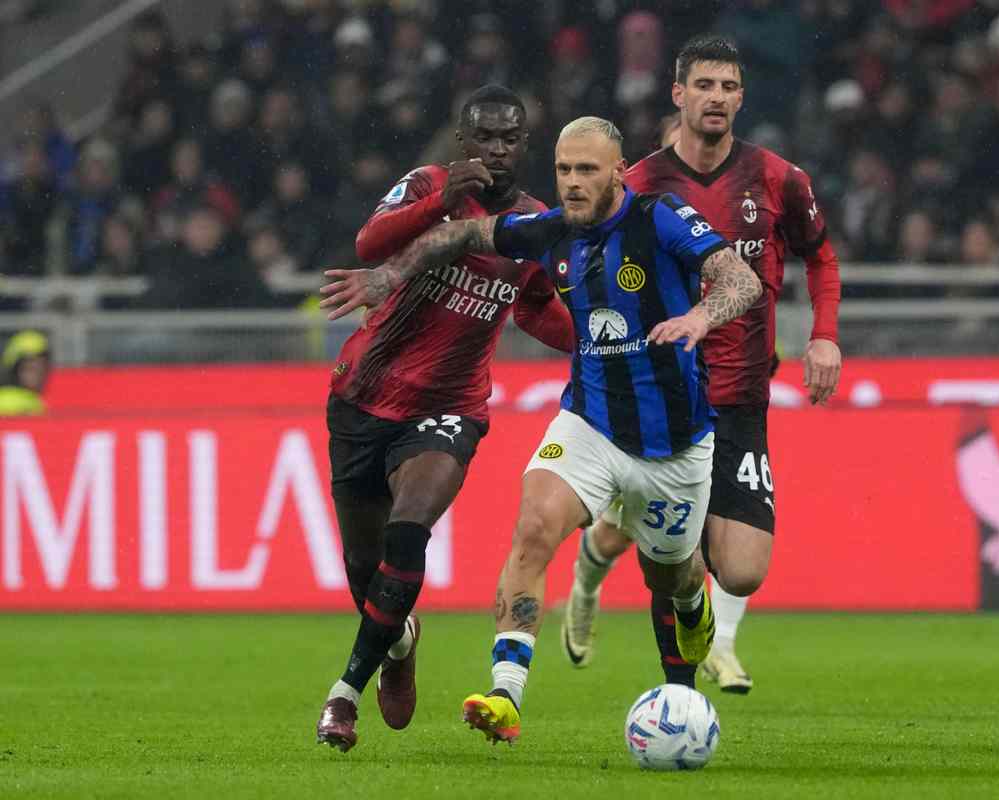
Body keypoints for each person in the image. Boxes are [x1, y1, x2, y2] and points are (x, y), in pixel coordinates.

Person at [321, 116, 762, 745]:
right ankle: (507, 694)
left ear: (616, 172)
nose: (574, 182)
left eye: (587, 170)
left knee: (673, 577)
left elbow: (740, 279)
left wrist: (698, 316)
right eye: (564, 170)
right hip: (590, 421)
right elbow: (462, 235)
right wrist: (387, 277)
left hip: (676, 445)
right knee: (532, 528)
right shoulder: (549, 231)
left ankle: (693, 607)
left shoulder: (660, 215)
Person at [560, 35, 843, 694]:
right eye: (704, 86)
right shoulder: (637, 186)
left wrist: (824, 335)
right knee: (672, 549)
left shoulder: (777, 177)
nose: (716, 98)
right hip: (663, 396)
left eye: (728, 87)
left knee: (740, 568)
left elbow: (821, 257)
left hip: (742, 395)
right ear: (678, 94)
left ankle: (704, 630)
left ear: (741, 97)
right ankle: (679, 692)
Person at [310, 86, 575, 752]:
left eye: (508, 138)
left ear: (524, 145)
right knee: (366, 572)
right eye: (483, 137)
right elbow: (371, 243)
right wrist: (441, 201)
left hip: (450, 406)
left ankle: (343, 696)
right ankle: (399, 642)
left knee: (409, 535)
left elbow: (535, 306)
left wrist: (597, 341)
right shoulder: (427, 185)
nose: (495, 149)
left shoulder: (534, 223)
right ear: (463, 143)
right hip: (363, 397)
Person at [0, 330, 50, 415]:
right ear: (14, 369)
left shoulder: (35, 401)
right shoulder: (7, 402)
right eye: (29, 368)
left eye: (41, 368)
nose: (37, 376)